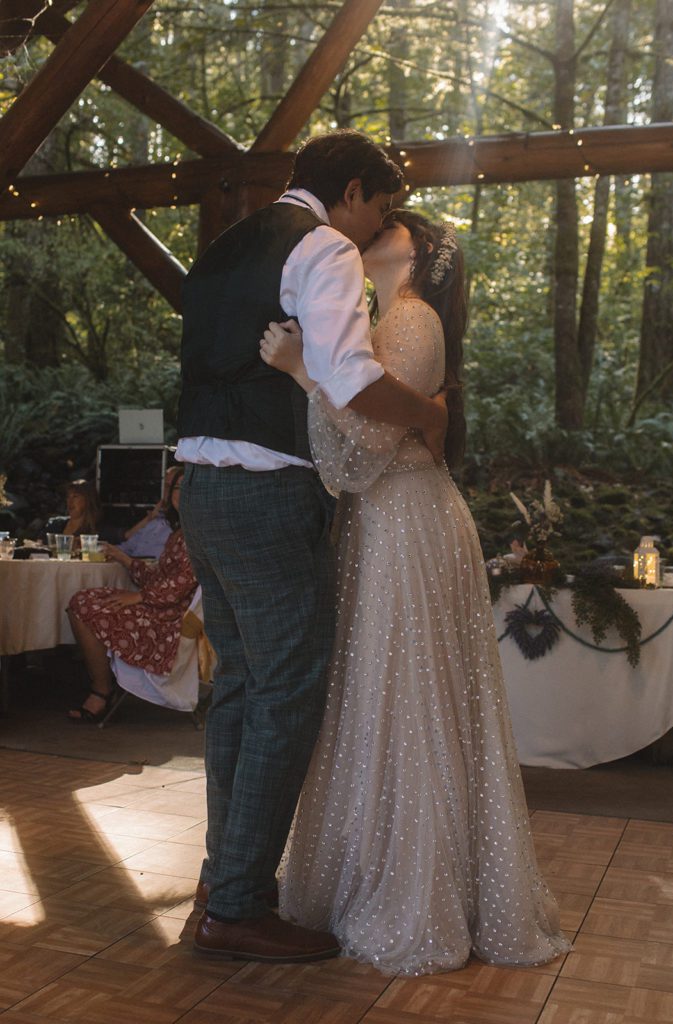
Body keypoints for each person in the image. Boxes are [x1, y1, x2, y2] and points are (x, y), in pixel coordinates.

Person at [259, 209, 571, 975]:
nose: (371, 227)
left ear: (421, 252)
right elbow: (369, 430)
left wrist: (302, 370)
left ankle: (419, 898)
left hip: (406, 520)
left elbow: (366, 441)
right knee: (379, 700)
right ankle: (374, 877)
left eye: (392, 224)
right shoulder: (379, 316)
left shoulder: (412, 318)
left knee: (407, 700)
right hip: (384, 520)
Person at [176, 130, 448, 964]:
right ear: (355, 191)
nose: (377, 229)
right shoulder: (322, 244)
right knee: (288, 690)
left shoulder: (229, 244)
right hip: (267, 491)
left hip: (202, 483)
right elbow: (349, 377)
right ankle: (240, 904)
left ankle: (222, 881)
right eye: (381, 208)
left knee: (240, 688)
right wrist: (434, 414)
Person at [66, 468, 197, 723]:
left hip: (168, 620)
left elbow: (182, 583)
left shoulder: (199, 534)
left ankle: (101, 691)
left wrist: (139, 598)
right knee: (81, 602)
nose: (179, 494)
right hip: (157, 606)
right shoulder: (179, 533)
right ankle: (103, 684)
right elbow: (158, 577)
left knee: (84, 608)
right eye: (176, 488)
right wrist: (124, 558)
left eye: (186, 487)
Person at [116, 465, 177, 558]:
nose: (168, 491)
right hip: (132, 568)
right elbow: (127, 547)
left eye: (174, 487)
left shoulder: (184, 528)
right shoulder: (155, 521)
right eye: (166, 486)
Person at [45, 478, 120, 544]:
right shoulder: (55, 525)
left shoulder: (99, 529)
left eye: (75, 496)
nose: (70, 502)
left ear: (88, 500)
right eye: (68, 497)